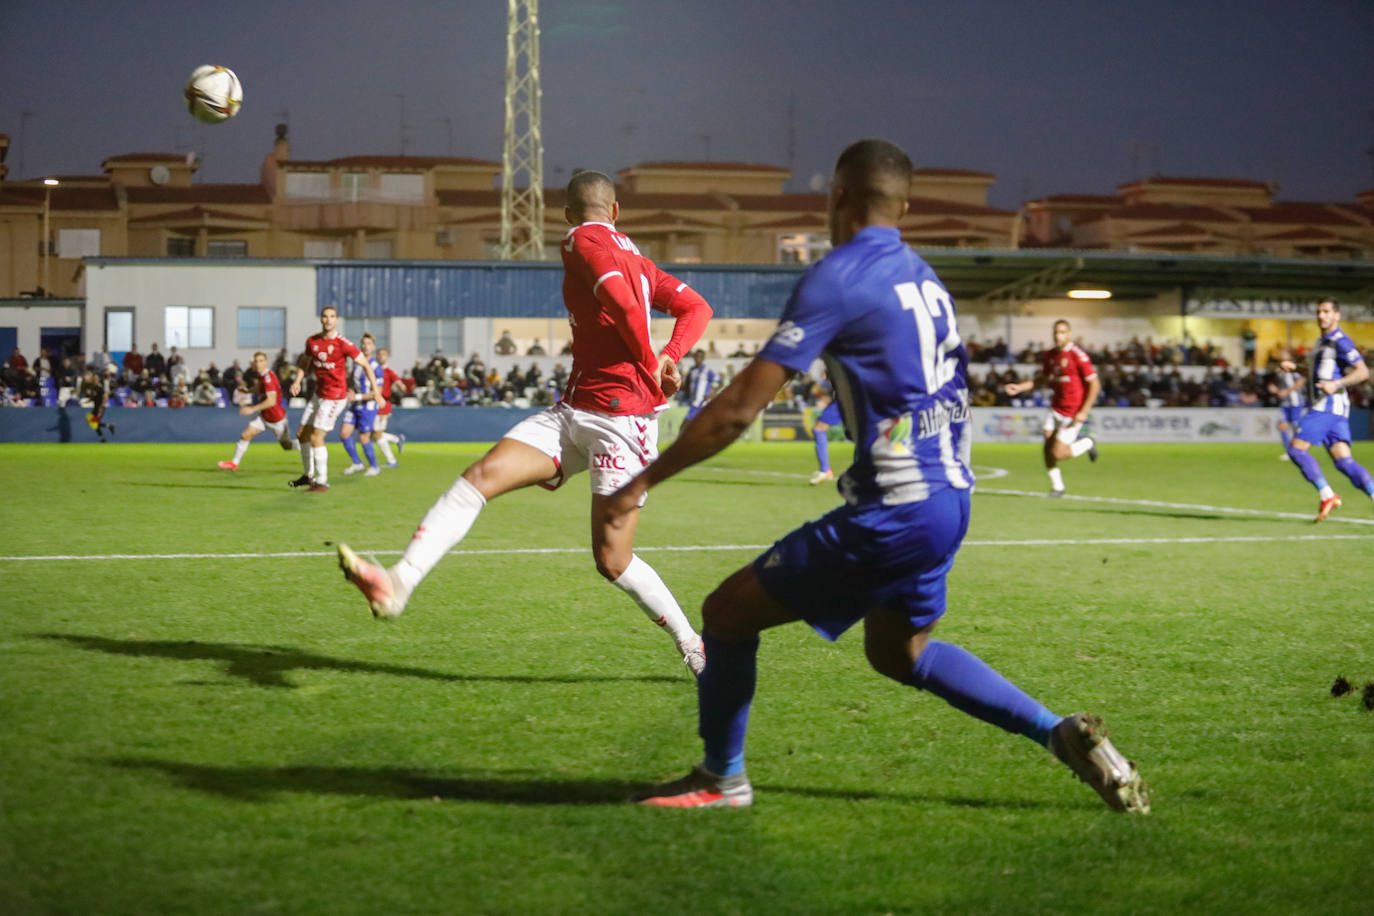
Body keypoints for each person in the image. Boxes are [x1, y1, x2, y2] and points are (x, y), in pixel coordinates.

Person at [605, 139, 1148, 813]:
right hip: (950, 499)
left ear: (836, 197)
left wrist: (639, 483)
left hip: (896, 509)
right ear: (905, 207)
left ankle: (722, 780)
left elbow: (739, 408)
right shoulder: (925, 278)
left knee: (725, 614)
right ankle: (1055, 732)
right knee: (899, 654)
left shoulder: (839, 276)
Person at [336, 168, 713, 676]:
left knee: (613, 560)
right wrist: (669, 355)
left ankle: (692, 642)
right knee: (480, 478)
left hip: (622, 422)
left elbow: (625, 307)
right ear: (616, 210)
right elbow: (696, 307)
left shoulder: (580, 239)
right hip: (573, 411)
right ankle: (398, 582)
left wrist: (651, 366)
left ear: (568, 214)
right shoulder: (640, 262)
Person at [1281, 297, 1374, 521]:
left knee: (1296, 450)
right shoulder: (1320, 342)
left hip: (1327, 405)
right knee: (1344, 462)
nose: (1321, 315)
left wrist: (1336, 383)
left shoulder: (1341, 341)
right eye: (1319, 312)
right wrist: (1296, 368)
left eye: (1326, 311)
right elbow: (1316, 374)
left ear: (1336, 315)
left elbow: (1362, 372)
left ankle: (1328, 495)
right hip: (1333, 407)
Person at [288, 305, 384, 493]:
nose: (328, 320)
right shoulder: (312, 341)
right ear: (321, 319)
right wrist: (297, 381)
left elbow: (366, 365)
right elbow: (304, 362)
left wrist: (377, 392)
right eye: (325, 316)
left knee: (316, 437)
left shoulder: (343, 343)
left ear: (336, 320)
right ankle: (308, 475)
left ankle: (322, 482)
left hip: (335, 397)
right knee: (302, 435)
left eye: (332, 316)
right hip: (319, 395)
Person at [1003, 319, 1101, 496]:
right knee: (1047, 449)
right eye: (1056, 332)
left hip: (1072, 413)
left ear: (1069, 334)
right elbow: (1043, 379)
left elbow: (1095, 384)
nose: (1058, 336)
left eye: (1062, 332)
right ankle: (1058, 487)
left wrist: (1084, 411)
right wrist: (1020, 387)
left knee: (1058, 453)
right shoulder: (1050, 355)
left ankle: (1088, 442)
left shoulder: (1078, 355)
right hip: (1056, 409)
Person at [218, 351, 296, 470]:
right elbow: (259, 387)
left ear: (266, 362)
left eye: (261, 361)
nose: (258, 364)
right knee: (246, 435)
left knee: (287, 446)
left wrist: (252, 409)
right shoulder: (262, 376)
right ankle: (234, 463)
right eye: (256, 361)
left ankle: (308, 448)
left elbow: (271, 401)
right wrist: (248, 391)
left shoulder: (268, 378)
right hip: (264, 416)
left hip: (276, 418)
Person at [338, 333, 384, 478]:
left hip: (368, 408)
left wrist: (356, 396)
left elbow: (377, 393)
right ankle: (357, 463)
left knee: (364, 438)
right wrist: (350, 389)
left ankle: (375, 466)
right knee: (344, 433)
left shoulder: (376, 367)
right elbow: (352, 380)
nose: (365, 346)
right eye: (363, 343)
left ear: (373, 347)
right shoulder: (356, 363)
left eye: (369, 344)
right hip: (355, 405)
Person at [1267, 347, 1305, 460]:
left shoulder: (1293, 368)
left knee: (1296, 427)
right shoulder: (1279, 370)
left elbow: (1300, 382)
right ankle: (1289, 452)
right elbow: (1282, 386)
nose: (1281, 353)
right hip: (1285, 402)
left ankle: (1299, 450)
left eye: (1284, 352)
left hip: (1295, 402)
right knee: (1282, 426)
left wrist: (1287, 391)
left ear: (1290, 355)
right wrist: (1275, 390)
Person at [373, 347, 405, 467]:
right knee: (372, 433)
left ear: (387, 357)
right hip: (372, 405)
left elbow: (399, 383)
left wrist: (401, 386)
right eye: (379, 354)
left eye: (383, 354)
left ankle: (392, 461)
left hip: (383, 406)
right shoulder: (373, 370)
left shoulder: (389, 372)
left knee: (377, 434)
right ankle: (396, 439)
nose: (381, 356)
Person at [808, 383, 843, 485]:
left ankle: (825, 470)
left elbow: (816, 389)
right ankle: (825, 470)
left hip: (848, 397)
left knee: (819, 429)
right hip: (844, 398)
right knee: (819, 429)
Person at [682, 349, 717, 422]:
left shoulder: (706, 371)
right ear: (694, 357)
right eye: (696, 356)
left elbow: (717, 381)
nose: (698, 359)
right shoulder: (691, 370)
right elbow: (687, 384)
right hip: (693, 401)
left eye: (700, 357)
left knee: (686, 423)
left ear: (703, 358)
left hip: (702, 402)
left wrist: (711, 393)